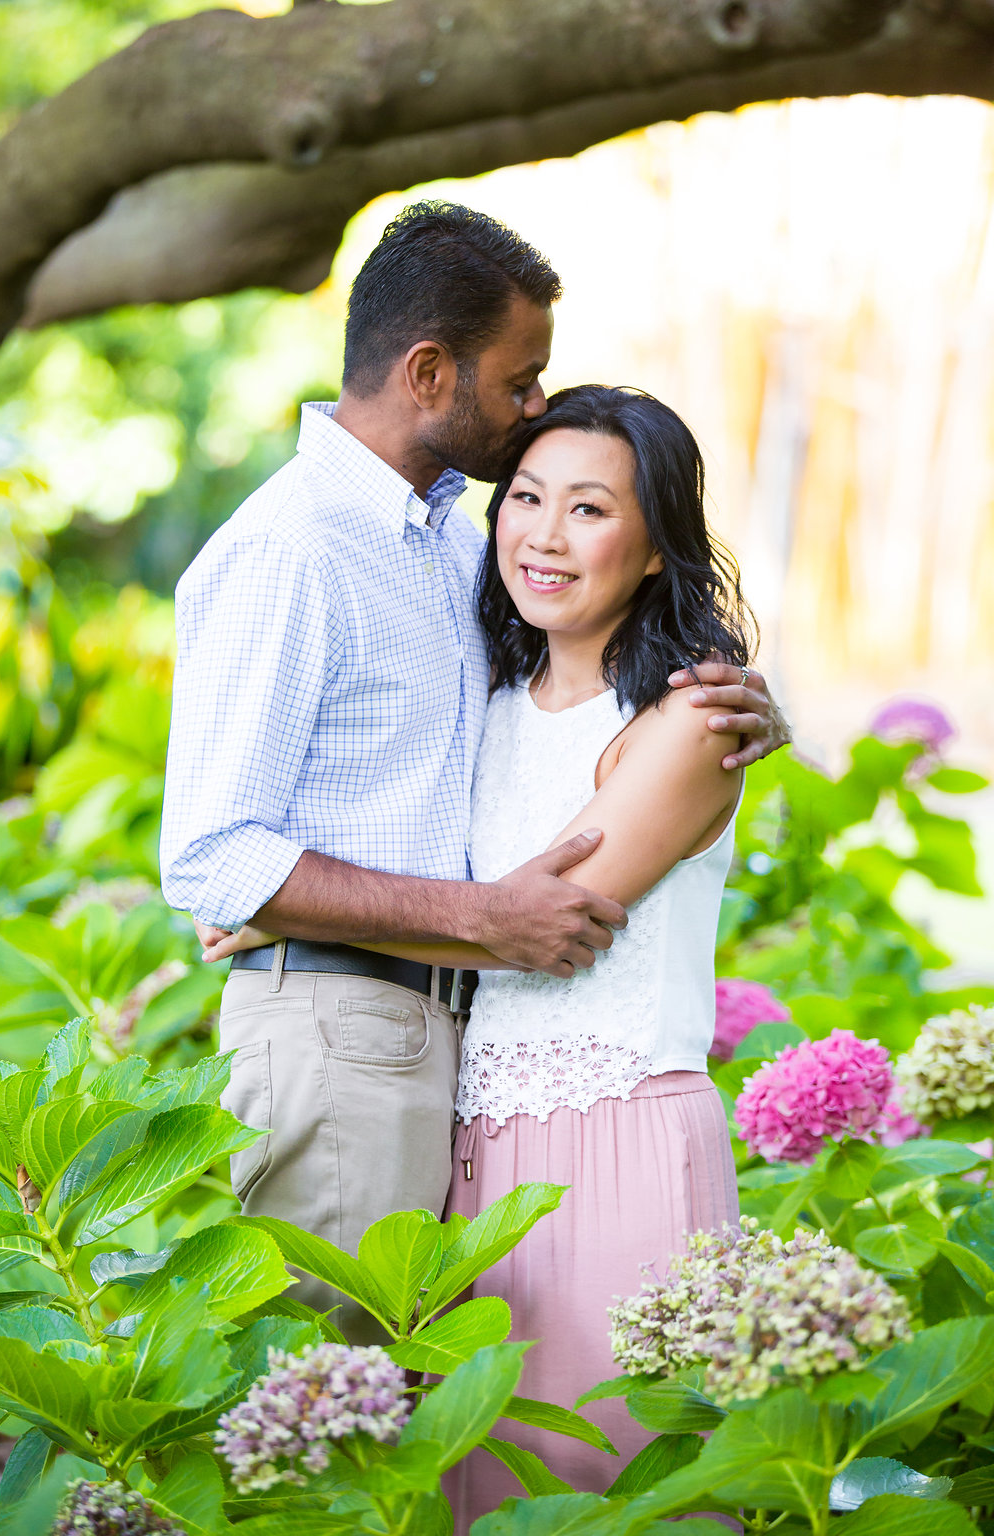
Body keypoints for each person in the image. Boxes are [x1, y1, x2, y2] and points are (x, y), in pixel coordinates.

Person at [163, 202, 789, 1339]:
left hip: (460, 1056)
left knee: (431, 1425)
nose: (536, 408)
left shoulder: (456, 536)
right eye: (521, 379)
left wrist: (730, 693)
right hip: (346, 1035)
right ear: (429, 369)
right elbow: (212, 854)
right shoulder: (286, 551)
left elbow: (589, 688)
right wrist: (382, 918)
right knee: (345, 1418)